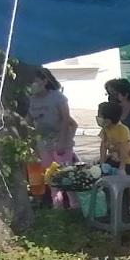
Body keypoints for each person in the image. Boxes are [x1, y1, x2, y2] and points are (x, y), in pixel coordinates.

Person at [27, 68, 78, 208]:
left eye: (35, 82)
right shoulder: (31, 100)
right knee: (50, 176)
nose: (32, 85)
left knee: (66, 175)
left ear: (44, 81)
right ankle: (57, 206)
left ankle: (74, 205)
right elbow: (29, 121)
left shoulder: (57, 97)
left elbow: (66, 120)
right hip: (44, 143)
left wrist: (62, 141)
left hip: (61, 142)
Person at [97, 101, 130, 173]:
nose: (98, 118)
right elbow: (103, 145)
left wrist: (122, 168)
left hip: (129, 162)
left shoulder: (122, 129)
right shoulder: (105, 128)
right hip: (115, 159)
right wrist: (102, 162)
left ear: (108, 118)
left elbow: (124, 149)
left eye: (100, 115)